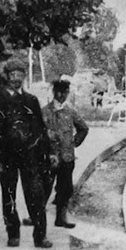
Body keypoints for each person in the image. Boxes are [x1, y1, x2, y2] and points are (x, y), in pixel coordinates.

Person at [0, 59, 53, 248]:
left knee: (36, 196)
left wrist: (47, 154)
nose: (16, 79)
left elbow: (40, 130)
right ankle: (12, 233)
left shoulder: (31, 100)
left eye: (20, 75)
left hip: (30, 156)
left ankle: (40, 236)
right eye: (13, 75)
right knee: (9, 195)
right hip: (6, 157)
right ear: (6, 76)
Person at [44, 78, 89, 229]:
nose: (61, 95)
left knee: (66, 189)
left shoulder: (71, 111)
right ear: (53, 92)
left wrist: (75, 142)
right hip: (49, 157)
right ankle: (36, 216)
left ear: (68, 93)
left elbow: (84, 128)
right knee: (45, 188)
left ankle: (60, 218)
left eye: (64, 92)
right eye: (58, 92)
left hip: (67, 156)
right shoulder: (45, 111)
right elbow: (37, 132)